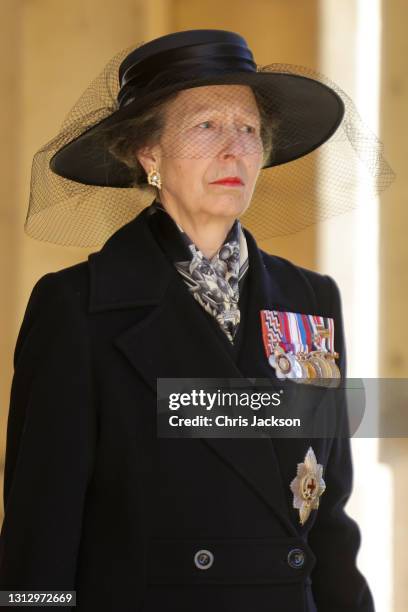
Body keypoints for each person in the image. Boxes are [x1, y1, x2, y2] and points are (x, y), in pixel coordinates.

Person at [0, 29, 393, 612]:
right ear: (149, 153)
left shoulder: (311, 301)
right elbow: (40, 533)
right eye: (206, 125)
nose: (234, 149)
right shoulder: (75, 309)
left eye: (249, 129)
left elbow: (328, 519)